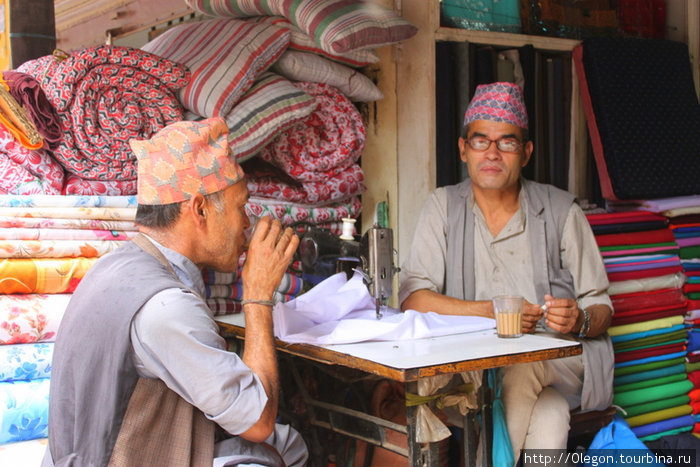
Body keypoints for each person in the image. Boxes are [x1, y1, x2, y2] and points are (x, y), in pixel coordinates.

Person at [42, 117, 307, 467]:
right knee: (268, 451)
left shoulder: (116, 267)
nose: (246, 224)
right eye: (241, 207)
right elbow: (257, 421)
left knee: (287, 444)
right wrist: (258, 297)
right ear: (199, 209)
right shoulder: (164, 306)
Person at [399, 82, 614, 462]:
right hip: (480, 369)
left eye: (507, 142)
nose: (493, 153)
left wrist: (578, 319)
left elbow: (602, 309)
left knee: (519, 366)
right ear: (464, 149)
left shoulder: (562, 211)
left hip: (562, 361)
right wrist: (491, 311)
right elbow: (414, 299)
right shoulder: (444, 207)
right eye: (481, 141)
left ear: (526, 152)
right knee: (549, 414)